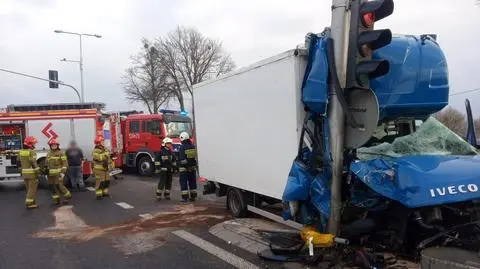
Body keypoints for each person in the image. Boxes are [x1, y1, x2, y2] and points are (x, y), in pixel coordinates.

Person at [46, 138, 72, 205]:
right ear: (50, 146)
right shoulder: (49, 153)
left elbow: (65, 163)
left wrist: (63, 172)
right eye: (52, 145)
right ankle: (56, 200)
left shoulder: (61, 153)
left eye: (55, 145)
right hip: (50, 174)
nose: (53, 146)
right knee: (52, 187)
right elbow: (47, 163)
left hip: (58, 173)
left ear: (57, 145)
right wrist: (45, 169)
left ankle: (68, 196)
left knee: (59, 185)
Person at [19, 136, 40, 209]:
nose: (34, 145)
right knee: (32, 189)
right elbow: (33, 162)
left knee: (28, 189)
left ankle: (32, 201)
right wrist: (38, 171)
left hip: (24, 174)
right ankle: (29, 203)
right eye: (34, 143)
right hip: (31, 174)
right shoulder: (32, 152)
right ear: (30, 144)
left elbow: (18, 161)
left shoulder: (21, 151)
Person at [178, 132, 197, 202]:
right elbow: (194, 158)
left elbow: (182, 159)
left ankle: (184, 197)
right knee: (192, 182)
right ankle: (193, 197)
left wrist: (178, 163)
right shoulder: (193, 146)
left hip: (184, 169)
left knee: (183, 182)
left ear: (182, 138)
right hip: (192, 168)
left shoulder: (182, 147)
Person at [92, 135, 112, 199]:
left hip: (106, 169)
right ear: (98, 142)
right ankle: (99, 194)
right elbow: (99, 158)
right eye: (102, 141)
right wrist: (106, 154)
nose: (103, 142)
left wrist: (111, 157)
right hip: (99, 170)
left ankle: (105, 193)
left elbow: (108, 157)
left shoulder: (105, 148)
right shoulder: (95, 150)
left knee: (107, 181)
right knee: (100, 182)